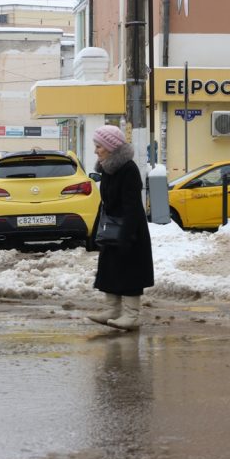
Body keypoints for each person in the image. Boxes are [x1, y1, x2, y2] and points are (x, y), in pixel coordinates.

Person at [87, 125, 154, 331]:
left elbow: (132, 206)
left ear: (110, 147)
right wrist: (95, 231)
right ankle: (112, 310)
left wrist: (127, 235)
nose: (96, 150)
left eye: (99, 146)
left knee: (129, 270)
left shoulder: (128, 170)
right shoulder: (108, 168)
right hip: (111, 228)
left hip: (129, 229)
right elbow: (105, 202)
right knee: (110, 268)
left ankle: (132, 315)